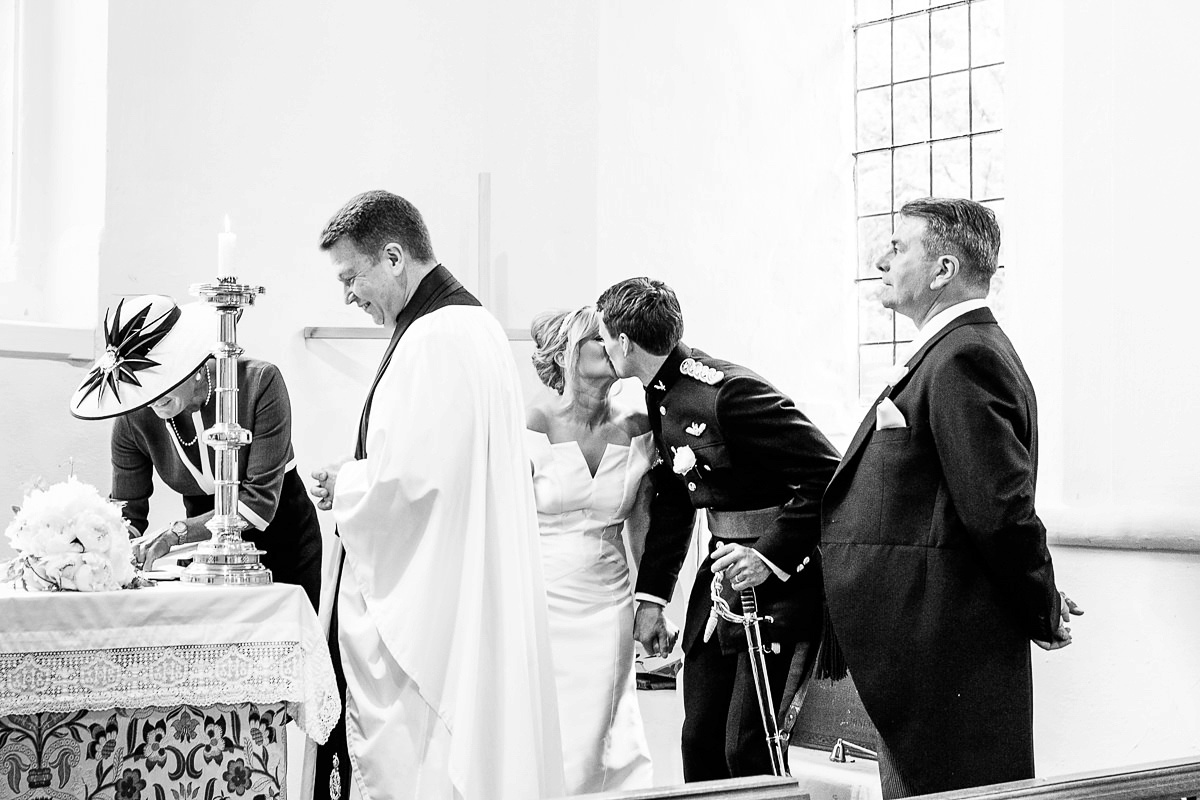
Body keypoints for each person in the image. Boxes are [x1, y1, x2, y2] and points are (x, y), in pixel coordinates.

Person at [820, 197, 1083, 799]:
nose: (878, 258)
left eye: (898, 246)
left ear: (942, 270)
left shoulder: (965, 355)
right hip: (920, 645)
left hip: (941, 649)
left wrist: (1038, 604)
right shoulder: (950, 351)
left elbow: (999, 510)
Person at [308, 190, 563, 800]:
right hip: (467, 580)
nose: (347, 296)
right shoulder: (469, 325)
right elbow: (437, 466)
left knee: (429, 762)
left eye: (351, 277)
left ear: (393, 257)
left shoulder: (434, 338)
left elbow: (413, 488)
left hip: (438, 605)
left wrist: (345, 483)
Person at [595, 277, 841, 781]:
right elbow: (675, 501)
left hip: (777, 584)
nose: (603, 347)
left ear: (624, 343)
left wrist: (767, 556)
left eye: (604, 336)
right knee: (699, 742)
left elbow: (829, 473)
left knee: (749, 750)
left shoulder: (728, 393)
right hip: (720, 578)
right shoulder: (662, 396)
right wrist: (652, 597)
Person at [68, 294, 322, 609]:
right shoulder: (133, 418)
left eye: (160, 379)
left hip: (282, 540)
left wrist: (178, 533)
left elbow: (260, 503)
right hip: (203, 555)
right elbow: (128, 514)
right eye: (140, 385)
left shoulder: (260, 382)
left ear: (192, 362)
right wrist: (89, 543)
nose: (152, 398)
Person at [527, 306, 655, 795]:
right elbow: (506, 521)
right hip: (544, 598)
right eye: (597, 338)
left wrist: (651, 605)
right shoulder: (534, 421)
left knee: (604, 729)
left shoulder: (638, 424)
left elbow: (641, 522)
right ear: (567, 353)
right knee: (550, 726)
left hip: (609, 602)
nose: (611, 344)